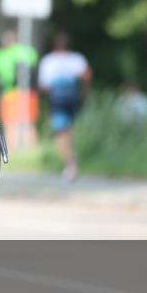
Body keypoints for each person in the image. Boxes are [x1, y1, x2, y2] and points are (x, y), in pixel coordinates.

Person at [37, 31, 92, 183]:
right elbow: (87, 75)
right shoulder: (76, 59)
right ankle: (72, 160)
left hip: (58, 100)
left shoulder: (49, 61)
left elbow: (44, 86)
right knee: (70, 130)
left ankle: (70, 163)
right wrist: (84, 92)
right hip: (74, 98)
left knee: (61, 132)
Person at [0, 30, 39, 150]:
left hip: (10, 92)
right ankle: (32, 150)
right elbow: (34, 63)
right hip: (27, 91)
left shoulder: (1, 54)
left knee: (10, 123)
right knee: (28, 122)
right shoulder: (26, 50)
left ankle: (12, 149)